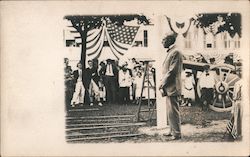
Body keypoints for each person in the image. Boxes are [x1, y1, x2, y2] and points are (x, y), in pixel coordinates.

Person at [159, 32, 183, 140]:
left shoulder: (176, 52)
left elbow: (172, 71)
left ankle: (177, 133)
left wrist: (162, 83)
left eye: (163, 40)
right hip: (169, 86)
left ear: (169, 41)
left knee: (173, 110)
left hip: (172, 86)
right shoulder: (171, 52)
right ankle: (172, 130)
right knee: (170, 110)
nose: (162, 42)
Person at [226, 64, 242, 140]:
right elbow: (234, 99)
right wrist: (233, 110)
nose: (239, 73)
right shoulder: (237, 83)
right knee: (236, 120)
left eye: (241, 70)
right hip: (238, 104)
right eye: (237, 71)